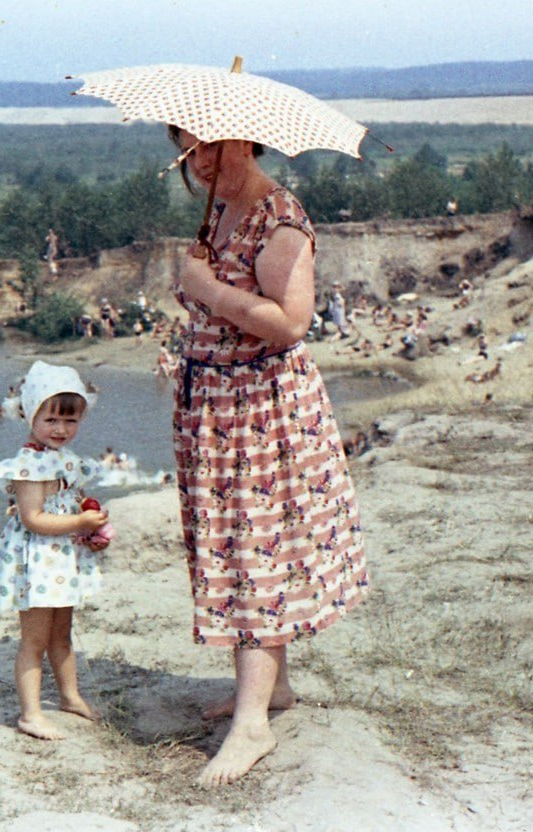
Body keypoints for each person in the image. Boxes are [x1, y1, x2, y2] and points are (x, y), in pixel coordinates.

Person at [167, 126, 368, 786]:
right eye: (187, 148)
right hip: (218, 407)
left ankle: (252, 725)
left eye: (211, 148)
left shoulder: (281, 219)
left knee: (255, 552)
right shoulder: (220, 207)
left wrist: (206, 288)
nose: (198, 161)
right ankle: (270, 691)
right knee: (230, 547)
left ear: (247, 144)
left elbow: (291, 321)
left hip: (259, 411)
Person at [0, 361, 111, 740]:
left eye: (70, 422)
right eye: (52, 419)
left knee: (62, 634)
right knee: (35, 639)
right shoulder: (28, 465)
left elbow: (69, 500)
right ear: (30, 415)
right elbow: (34, 518)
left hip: (60, 559)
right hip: (37, 561)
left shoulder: (65, 459)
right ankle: (31, 713)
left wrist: (90, 514)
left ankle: (69, 696)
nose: (61, 430)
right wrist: (79, 524)